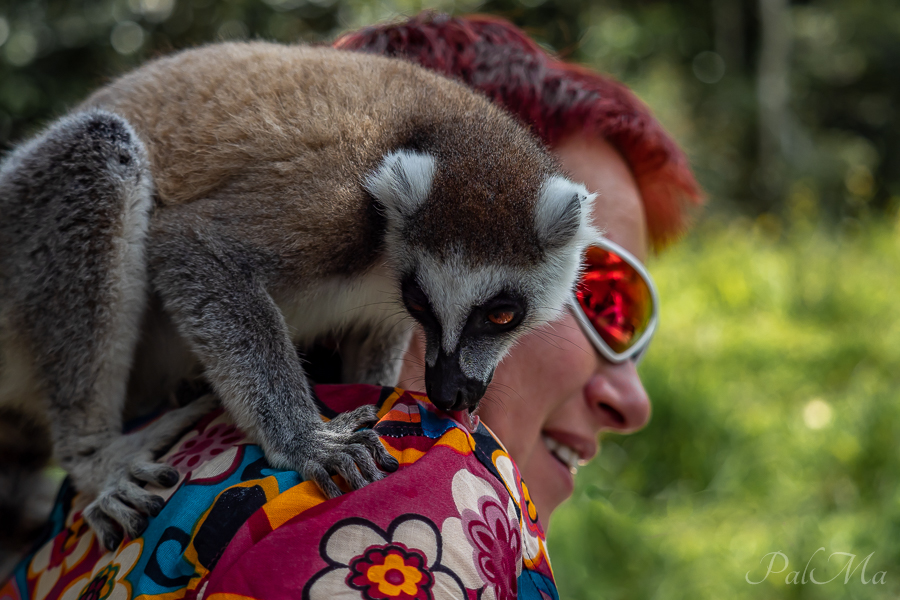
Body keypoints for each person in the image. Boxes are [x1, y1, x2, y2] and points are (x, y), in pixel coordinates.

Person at [0, 13, 701, 600]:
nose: (630, 398)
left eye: (620, 301)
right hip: (49, 289)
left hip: (124, 379)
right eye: (605, 290)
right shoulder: (427, 504)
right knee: (102, 156)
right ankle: (89, 443)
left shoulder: (123, 519)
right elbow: (195, 256)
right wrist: (299, 436)